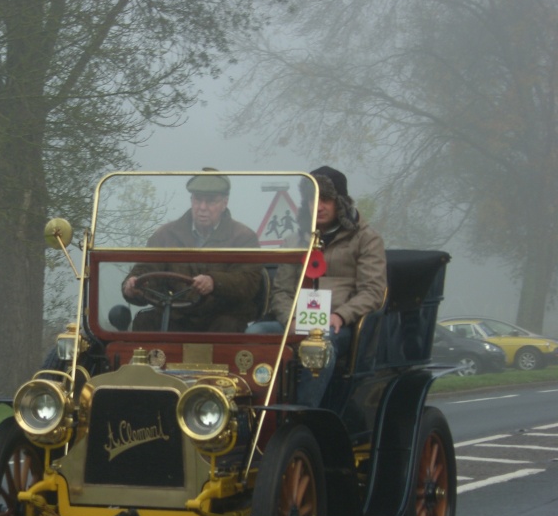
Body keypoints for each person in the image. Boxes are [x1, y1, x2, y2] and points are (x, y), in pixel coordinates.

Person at [253, 166, 387, 406]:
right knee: (254, 334)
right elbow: (281, 291)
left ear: (341, 203)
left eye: (326, 200)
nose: (319, 206)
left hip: (339, 327)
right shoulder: (295, 241)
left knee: (319, 343)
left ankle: (304, 414)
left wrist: (341, 315)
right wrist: (289, 320)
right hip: (296, 321)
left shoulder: (367, 239)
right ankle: (253, 411)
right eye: (313, 199)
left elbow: (373, 291)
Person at [121, 169, 262, 332]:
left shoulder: (243, 238)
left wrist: (214, 282)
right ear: (191, 200)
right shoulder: (165, 235)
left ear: (224, 203)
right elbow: (146, 270)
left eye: (210, 201)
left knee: (229, 326)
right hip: (176, 316)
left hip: (220, 317)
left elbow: (249, 283)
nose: (202, 207)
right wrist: (133, 285)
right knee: (145, 321)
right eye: (197, 199)